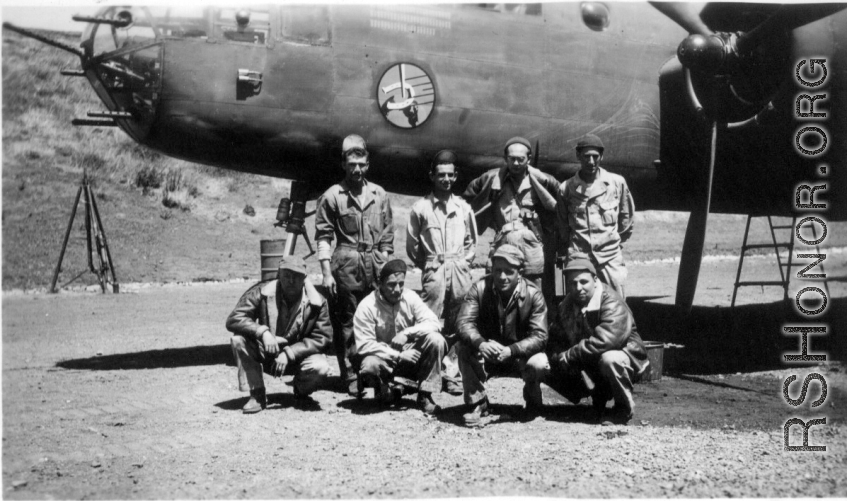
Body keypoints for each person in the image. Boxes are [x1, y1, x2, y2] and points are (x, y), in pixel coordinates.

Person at [314, 134, 395, 396]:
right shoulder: (332, 196)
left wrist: (384, 261)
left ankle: (375, 371)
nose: (357, 170)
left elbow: (387, 235)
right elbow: (324, 237)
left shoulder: (379, 194)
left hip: (374, 262)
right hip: (346, 262)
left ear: (368, 164)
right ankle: (349, 374)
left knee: (377, 316)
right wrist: (326, 273)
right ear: (344, 165)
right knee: (347, 320)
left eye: (361, 164)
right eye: (351, 165)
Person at [542, 257, 648, 425]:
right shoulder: (566, 304)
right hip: (588, 358)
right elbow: (555, 336)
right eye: (572, 283)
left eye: (584, 282)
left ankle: (623, 410)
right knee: (544, 360)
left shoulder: (611, 300)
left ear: (595, 280)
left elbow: (608, 340)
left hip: (626, 357)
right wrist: (557, 357)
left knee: (610, 359)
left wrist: (570, 355)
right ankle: (594, 398)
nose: (578, 288)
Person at [406, 149, 478, 395]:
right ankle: (427, 373)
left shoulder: (464, 208)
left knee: (459, 322)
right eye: (441, 175)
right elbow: (412, 246)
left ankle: (452, 373)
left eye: (450, 175)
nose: (446, 179)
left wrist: (462, 263)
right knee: (429, 321)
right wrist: (430, 265)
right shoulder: (421, 208)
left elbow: (471, 243)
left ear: (456, 176)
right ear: (432, 176)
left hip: (459, 270)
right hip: (434, 269)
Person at [454, 244, 549, 426]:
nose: (502, 277)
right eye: (497, 271)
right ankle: (478, 403)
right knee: (463, 348)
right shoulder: (479, 288)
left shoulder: (533, 294)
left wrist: (512, 350)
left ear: (519, 273)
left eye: (509, 271)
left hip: (518, 356)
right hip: (487, 353)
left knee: (539, 363)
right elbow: (463, 323)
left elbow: (540, 336)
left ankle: (532, 400)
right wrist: (481, 343)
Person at [226, 256, 332, 414]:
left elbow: (322, 337)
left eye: (296, 277)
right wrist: (262, 332)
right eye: (286, 275)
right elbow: (234, 318)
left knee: (320, 366)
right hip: (267, 352)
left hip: (298, 357)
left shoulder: (318, 301)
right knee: (238, 340)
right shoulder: (261, 292)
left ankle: (301, 391)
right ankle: (257, 393)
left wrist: (290, 353)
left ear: (304, 278)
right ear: (279, 275)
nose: (290, 281)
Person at [464, 137, 560, 307]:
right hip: (504, 241)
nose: (516, 163)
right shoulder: (491, 179)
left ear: (528, 159)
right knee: (500, 285)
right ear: (505, 158)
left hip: (532, 244)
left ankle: (538, 328)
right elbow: (469, 199)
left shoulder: (542, 180)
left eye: (521, 159)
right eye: (512, 158)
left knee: (536, 289)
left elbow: (560, 200)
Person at [353, 259, 447, 414]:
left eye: (401, 284)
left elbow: (434, 322)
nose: (397, 289)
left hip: (409, 358)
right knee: (370, 366)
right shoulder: (367, 306)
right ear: (380, 283)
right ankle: (385, 389)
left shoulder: (410, 297)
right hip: (384, 359)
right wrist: (398, 355)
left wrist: (406, 333)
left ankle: (425, 394)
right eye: (391, 284)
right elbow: (364, 345)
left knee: (436, 339)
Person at [556, 134, 634, 297]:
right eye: (586, 157)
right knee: (578, 307)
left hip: (609, 257)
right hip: (580, 256)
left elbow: (626, 221)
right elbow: (563, 225)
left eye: (595, 156)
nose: (591, 162)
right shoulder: (567, 188)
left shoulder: (616, 183)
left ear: (602, 156)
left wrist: (612, 243)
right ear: (578, 156)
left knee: (617, 306)